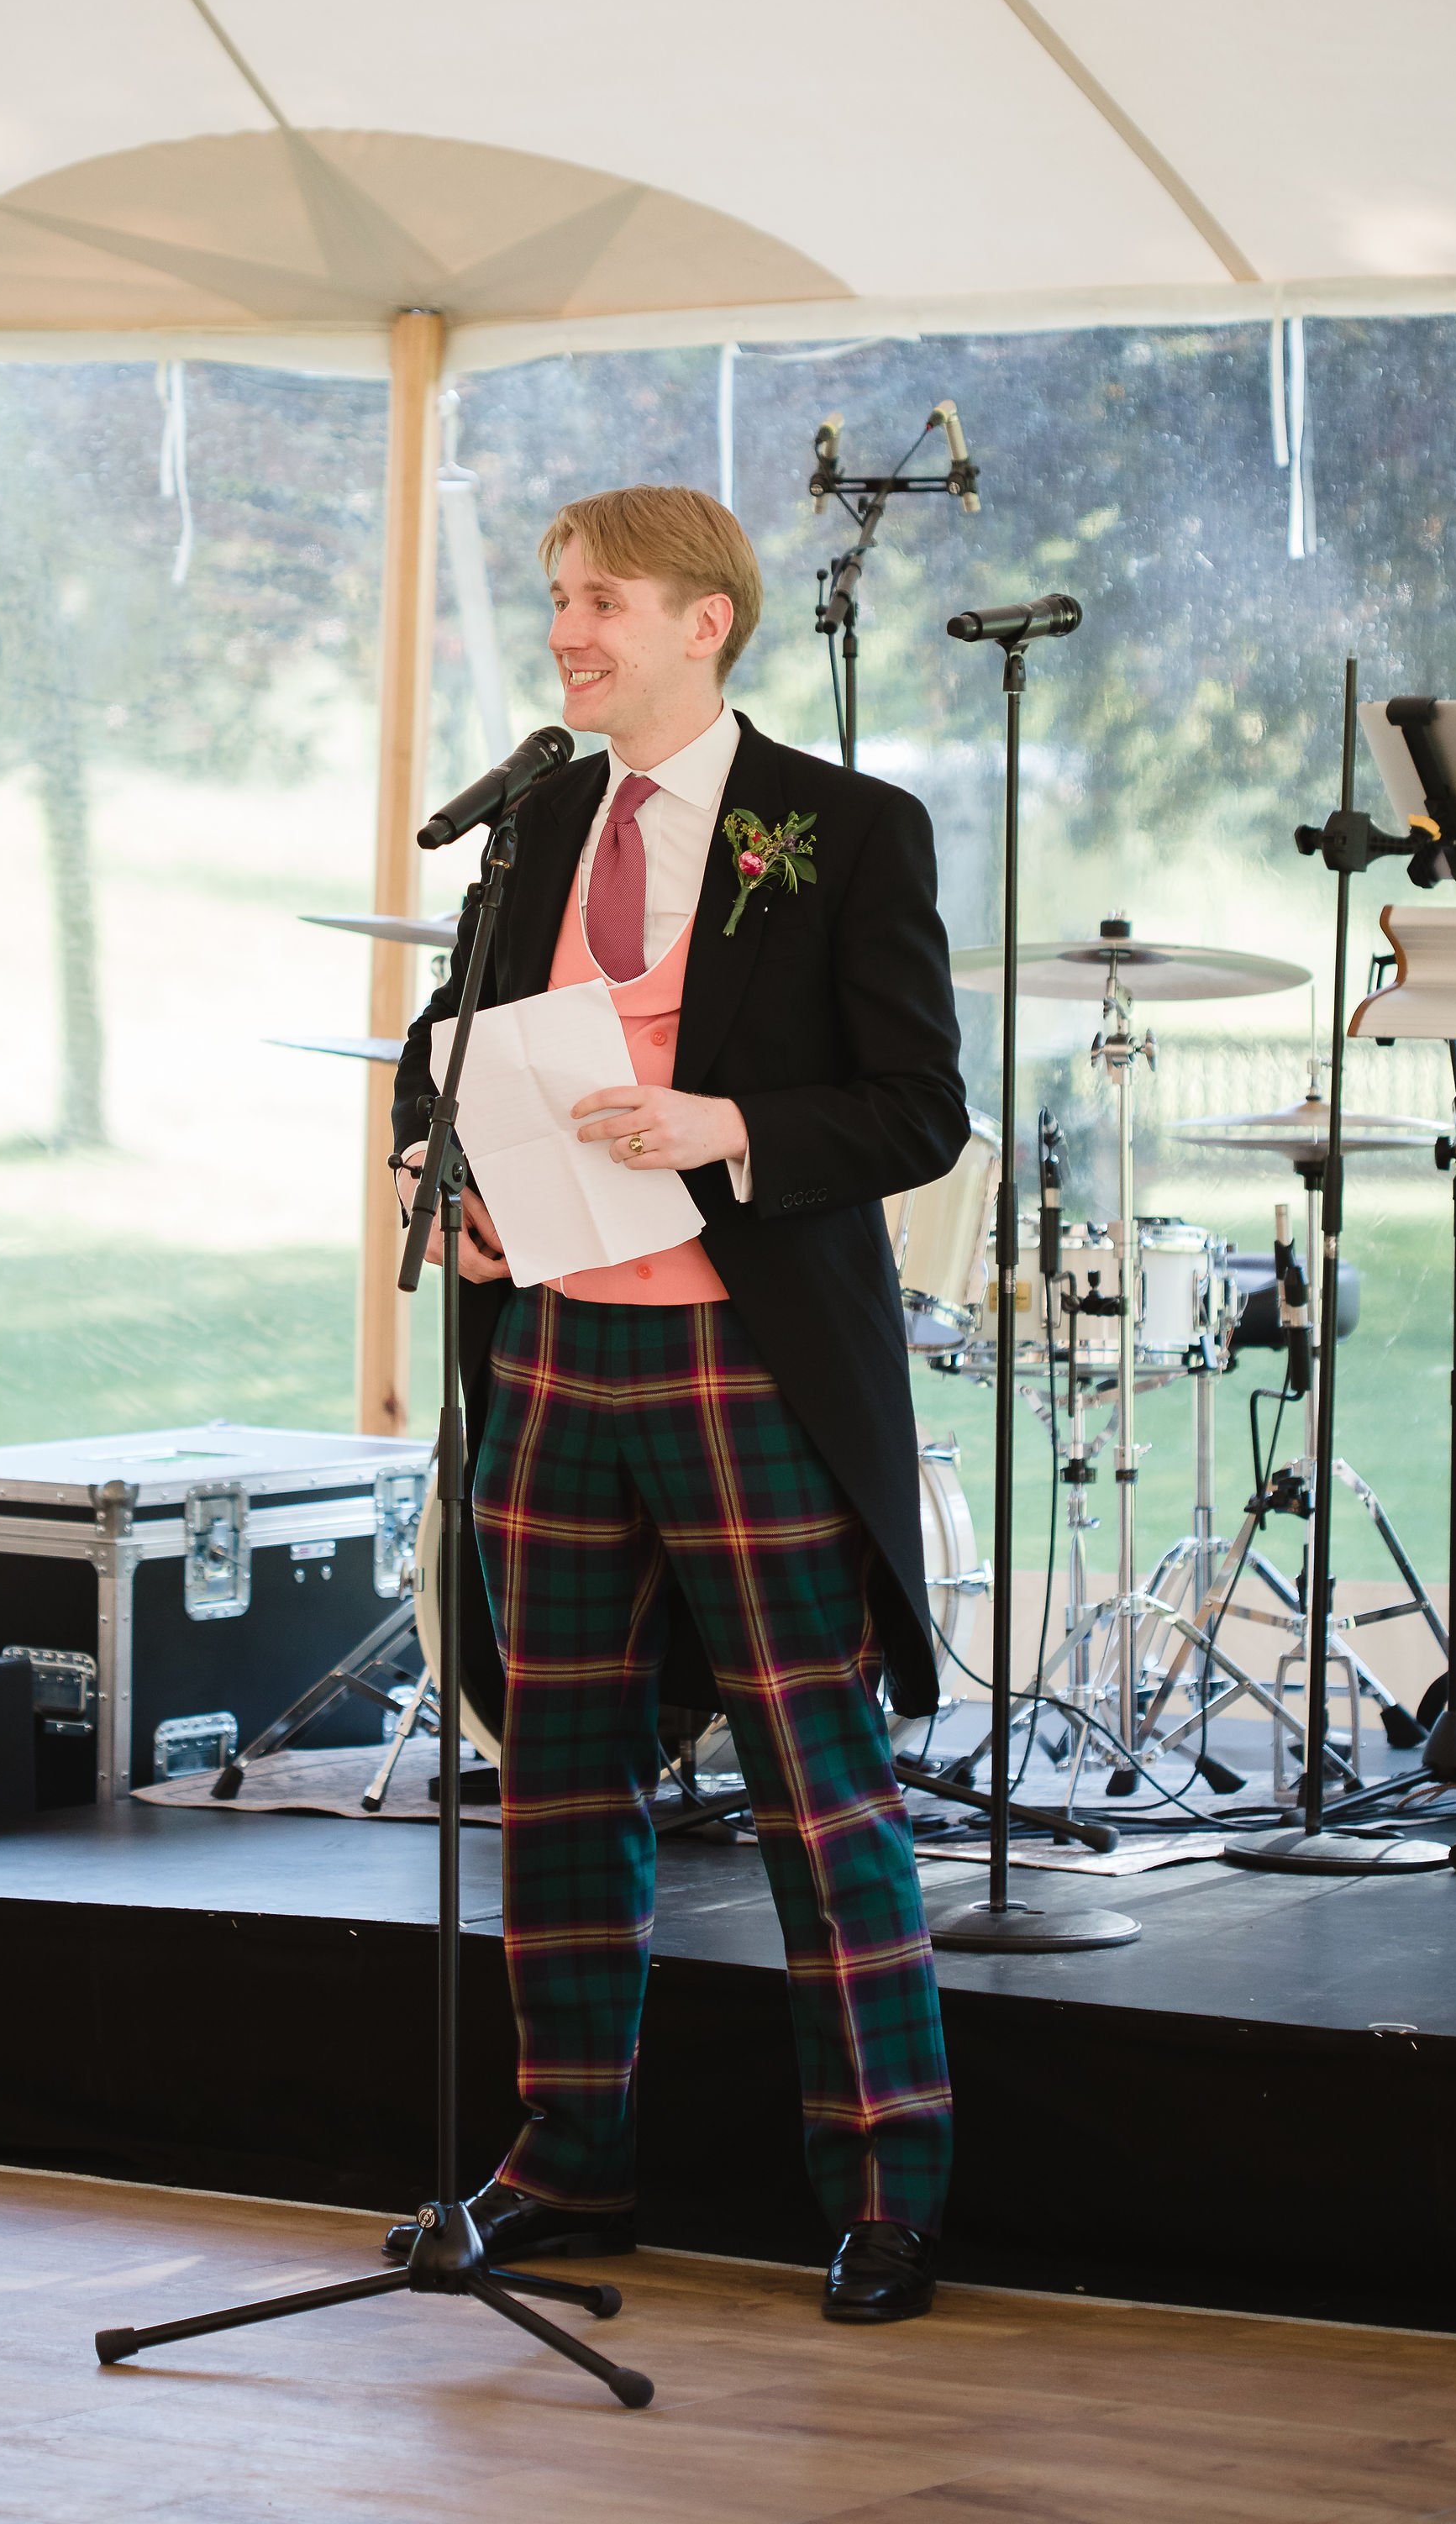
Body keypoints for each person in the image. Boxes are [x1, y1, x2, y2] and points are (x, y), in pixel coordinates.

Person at [389, 484, 968, 2324]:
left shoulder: (846, 828)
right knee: (558, 1777)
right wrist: (453, 1187)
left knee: (819, 1788)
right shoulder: (536, 820)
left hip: (745, 1366)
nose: (568, 630)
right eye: (560, 598)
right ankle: (568, 2162)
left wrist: (729, 1129)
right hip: (555, 1365)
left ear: (705, 621)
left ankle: (884, 2188)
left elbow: (915, 1110)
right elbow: (443, 1056)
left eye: (604, 601)